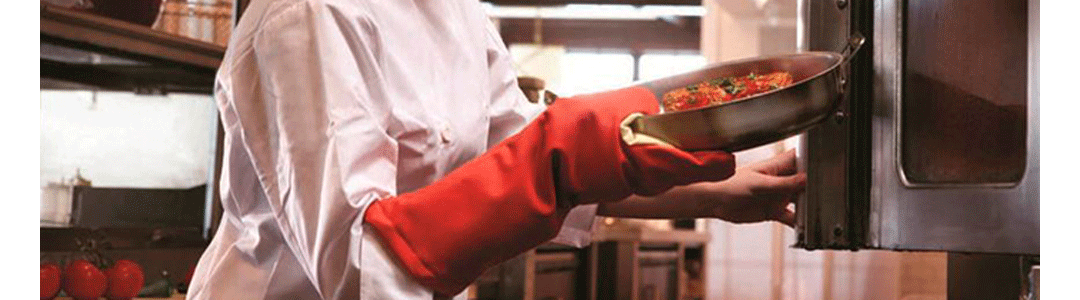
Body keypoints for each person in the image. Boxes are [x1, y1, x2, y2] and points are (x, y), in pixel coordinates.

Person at [186, 0, 806, 299]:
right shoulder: (312, 13)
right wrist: (557, 156)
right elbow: (356, 264)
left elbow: (511, 143)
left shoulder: (457, 10)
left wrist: (726, 191)